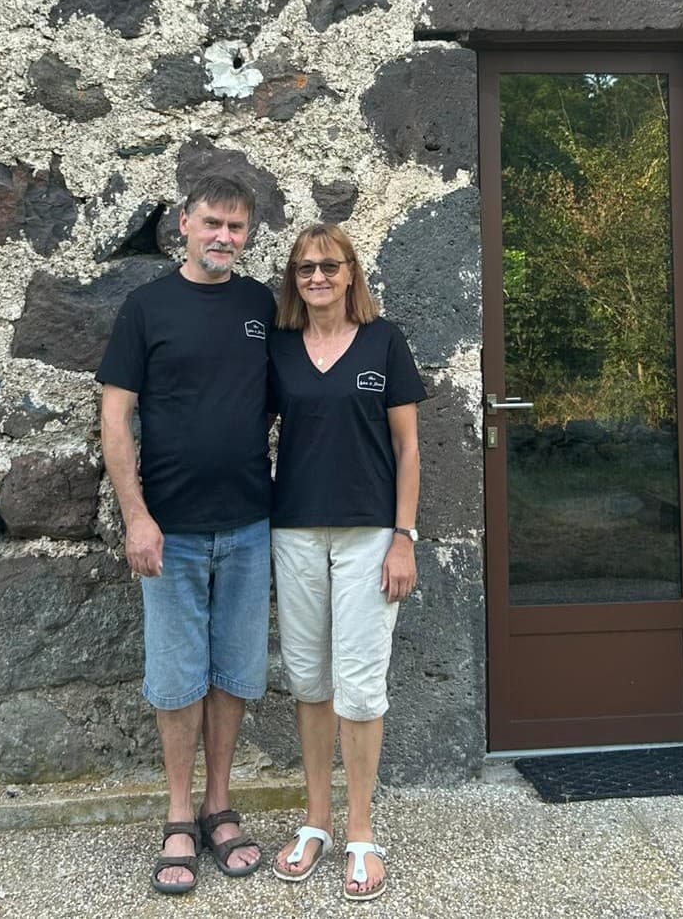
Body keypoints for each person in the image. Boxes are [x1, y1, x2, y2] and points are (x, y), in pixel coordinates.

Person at [96, 174, 275, 895]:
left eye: (235, 227)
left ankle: (218, 806)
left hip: (250, 523)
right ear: (183, 224)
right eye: (211, 224)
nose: (223, 238)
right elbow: (115, 417)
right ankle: (176, 815)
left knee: (233, 672)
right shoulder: (146, 308)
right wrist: (136, 516)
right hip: (168, 529)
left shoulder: (263, 306)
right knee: (175, 680)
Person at [267, 224, 424, 902]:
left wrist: (404, 537)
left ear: (352, 273)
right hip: (296, 531)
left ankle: (361, 832)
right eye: (305, 269)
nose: (318, 277)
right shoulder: (278, 350)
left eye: (329, 266)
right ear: (294, 282)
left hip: (368, 535)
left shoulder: (384, 343)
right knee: (309, 682)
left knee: (361, 685)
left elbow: (410, 448)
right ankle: (318, 822)